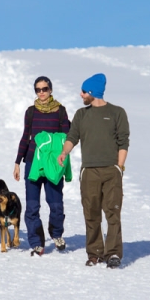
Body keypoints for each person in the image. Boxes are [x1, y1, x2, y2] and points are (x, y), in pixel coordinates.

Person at [58, 73, 129, 268]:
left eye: (83, 91)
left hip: (111, 171)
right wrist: (65, 152)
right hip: (89, 172)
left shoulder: (117, 113)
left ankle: (113, 253)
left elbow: (124, 142)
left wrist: (119, 168)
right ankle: (95, 252)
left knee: (113, 212)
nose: (80, 95)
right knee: (91, 213)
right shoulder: (82, 114)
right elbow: (73, 136)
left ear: (91, 92)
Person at [14, 76, 71, 256]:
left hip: (53, 163)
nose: (41, 93)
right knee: (32, 206)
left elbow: (67, 137)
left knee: (56, 205)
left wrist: (63, 155)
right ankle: (36, 242)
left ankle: (56, 235)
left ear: (50, 90)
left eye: (44, 89)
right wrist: (17, 162)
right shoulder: (31, 112)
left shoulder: (60, 111)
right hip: (32, 162)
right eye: (38, 90)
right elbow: (26, 137)